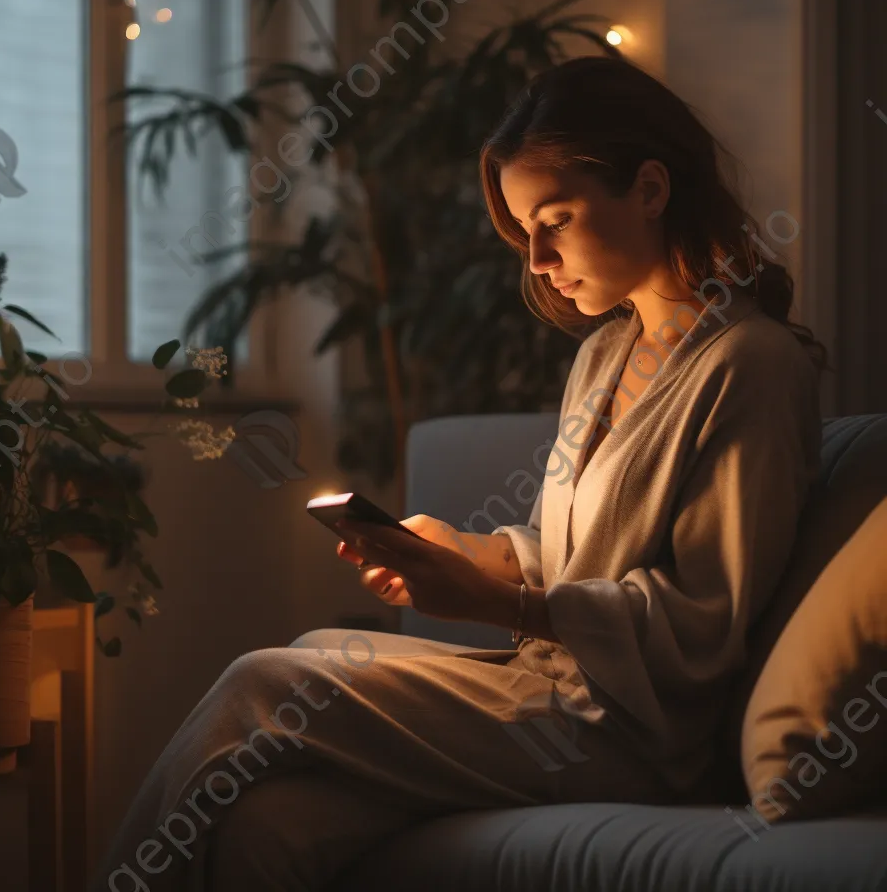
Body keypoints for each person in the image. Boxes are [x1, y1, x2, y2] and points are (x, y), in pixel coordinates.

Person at [93, 56, 827, 892]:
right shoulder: (604, 353)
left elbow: (701, 628)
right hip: (546, 687)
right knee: (271, 825)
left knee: (264, 682)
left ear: (651, 188)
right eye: (525, 232)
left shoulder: (752, 367)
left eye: (557, 219)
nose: (540, 259)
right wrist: (470, 553)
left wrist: (492, 601)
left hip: (631, 733)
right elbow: (576, 554)